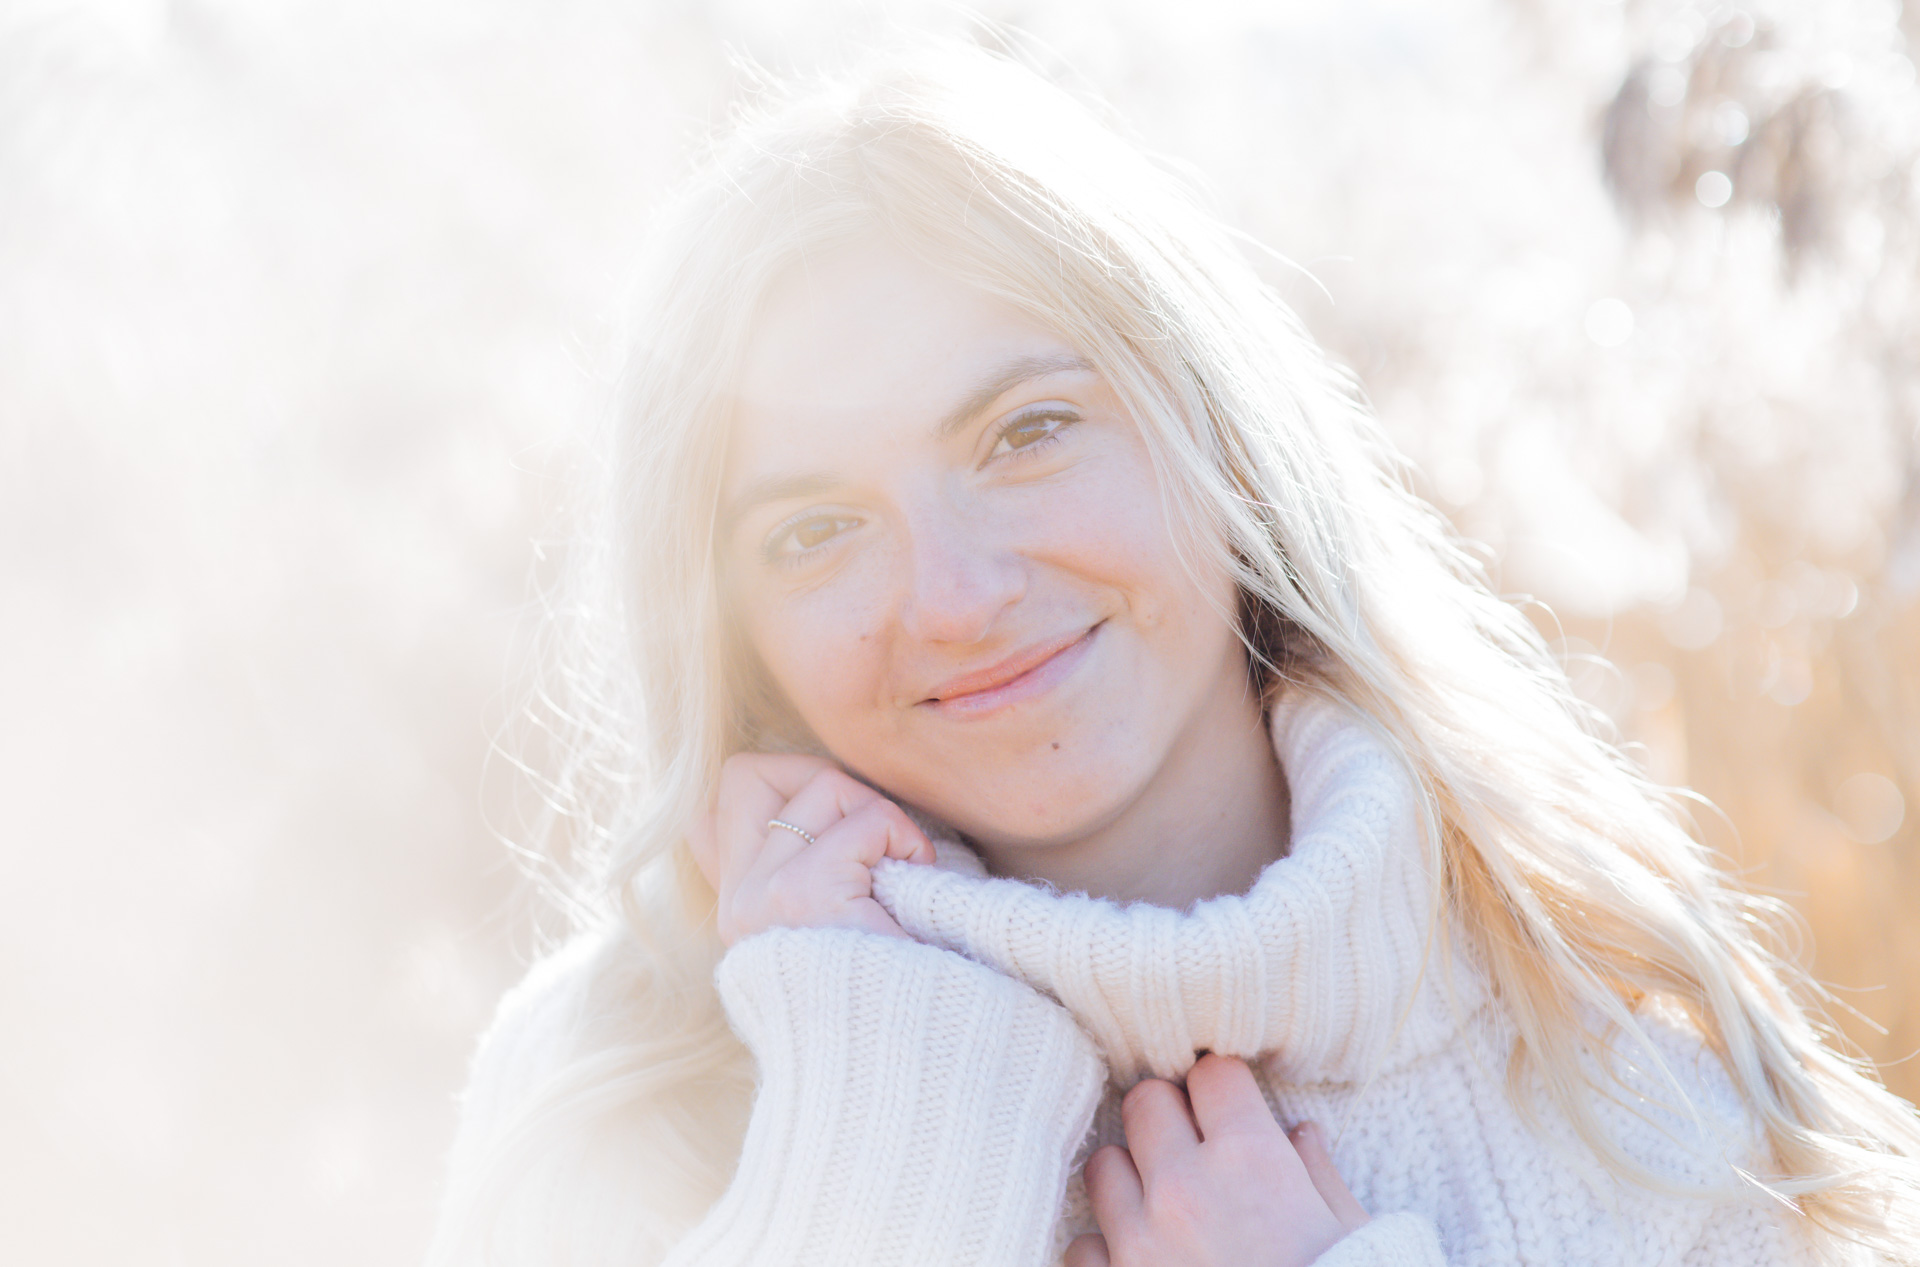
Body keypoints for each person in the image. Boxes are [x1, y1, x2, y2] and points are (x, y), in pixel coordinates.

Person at [427, 41, 1920, 1267]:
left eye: (1027, 432)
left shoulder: (1644, 1115)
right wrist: (883, 1109)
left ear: (1223, 441)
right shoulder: (612, 1099)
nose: (949, 597)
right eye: (815, 529)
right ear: (726, 620)